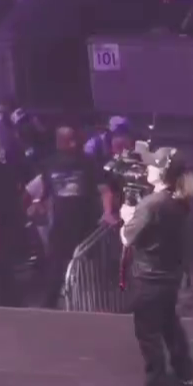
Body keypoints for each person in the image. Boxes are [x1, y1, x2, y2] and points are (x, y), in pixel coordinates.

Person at [120, 149, 193, 386]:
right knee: (169, 323)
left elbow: (127, 238)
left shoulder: (151, 204)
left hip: (149, 278)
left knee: (148, 334)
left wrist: (127, 216)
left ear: (162, 172)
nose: (147, 168)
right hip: (170, 275)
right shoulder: (178, 200)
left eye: (152, 165)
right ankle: (185, 372)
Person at [29, 125, 119, 309]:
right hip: (61, 226)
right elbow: (46, 191)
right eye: (69, 140)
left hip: (86, 225)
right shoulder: (49, 164)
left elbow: (105, 190)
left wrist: (108, 212)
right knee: (55, 269)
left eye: (74, 139)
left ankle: (92, 306)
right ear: (61, 142)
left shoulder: (88, 163)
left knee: (90, 270)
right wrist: (38, 204)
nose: (74, 143)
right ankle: (48, 308)